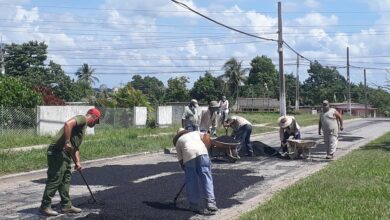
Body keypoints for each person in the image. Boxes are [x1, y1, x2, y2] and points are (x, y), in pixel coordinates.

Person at [39, 108, 101, 216]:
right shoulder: (82, 119)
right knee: (55, 178)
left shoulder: (82, 128)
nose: (95, 124)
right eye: (96, 121)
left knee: (65, 179)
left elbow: (75, 147)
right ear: (94, 117)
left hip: (65, 154)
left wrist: (78, 162)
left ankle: (66, 206)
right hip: (57, 151)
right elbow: (68, 124)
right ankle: (45, 206)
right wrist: (67, 141)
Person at [173, 128, 218, 214]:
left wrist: (187, 171)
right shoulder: (195, 133)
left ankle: (194, 205)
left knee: (192, 181)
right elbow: (207, 136)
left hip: (189, 156)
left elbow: (181, 161)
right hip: (203, 153)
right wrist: (206, 149)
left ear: (179, 135)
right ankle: (211, 203)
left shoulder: (179, 141)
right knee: (207, 178)